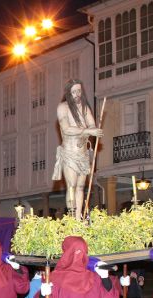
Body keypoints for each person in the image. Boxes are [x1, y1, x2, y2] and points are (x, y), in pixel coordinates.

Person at [52, 80, 102, 219]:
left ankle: (79, 217)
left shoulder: (84, 108)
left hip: (82, 153)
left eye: (79, 91)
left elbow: (92, 124)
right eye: (74, 92)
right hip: (69, 152)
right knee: (72, 185)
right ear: (68, 93)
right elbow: (66, 128)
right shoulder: (63, 107)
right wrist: (87, 131)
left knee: (81, 187)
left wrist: (93, 130)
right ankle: (73, 216)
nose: (77, 94)